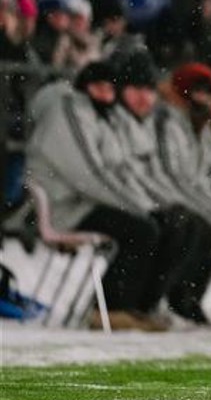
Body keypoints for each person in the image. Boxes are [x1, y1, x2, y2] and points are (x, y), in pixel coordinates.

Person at [23, 60, 170, 331]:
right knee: (141, 230)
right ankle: (111, 308)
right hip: (65, 208)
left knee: (163, 223)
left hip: (88, 201)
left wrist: (148, 204)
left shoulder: (100, 115)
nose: (105, 95)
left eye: (110, 88)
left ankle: (136, 306)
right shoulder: (69, 112)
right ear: (84, 87)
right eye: (98, 87)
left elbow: (120, 171)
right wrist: (139, 207)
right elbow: (89, 175)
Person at [106, 49, 211, 326]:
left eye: (149, 89)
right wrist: (158, 202)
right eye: (135, 88)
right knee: (165, 225)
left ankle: (148, 303)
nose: (143, 97)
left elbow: (154, 175)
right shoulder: (116, 122)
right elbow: (121, 173)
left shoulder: (143, 124)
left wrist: (167, 200)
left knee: (193, 224)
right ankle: (120, 304)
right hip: (114, 199)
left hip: (140, 197)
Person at [152, 62, 211, 326]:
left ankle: (190, 297)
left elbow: (200, 177)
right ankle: (174, 297)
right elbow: (174, 175)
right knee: (201, 224)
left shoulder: (201, 128)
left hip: (182, 195)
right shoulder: (169, 122)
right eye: (203, 94)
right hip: (160, 195)